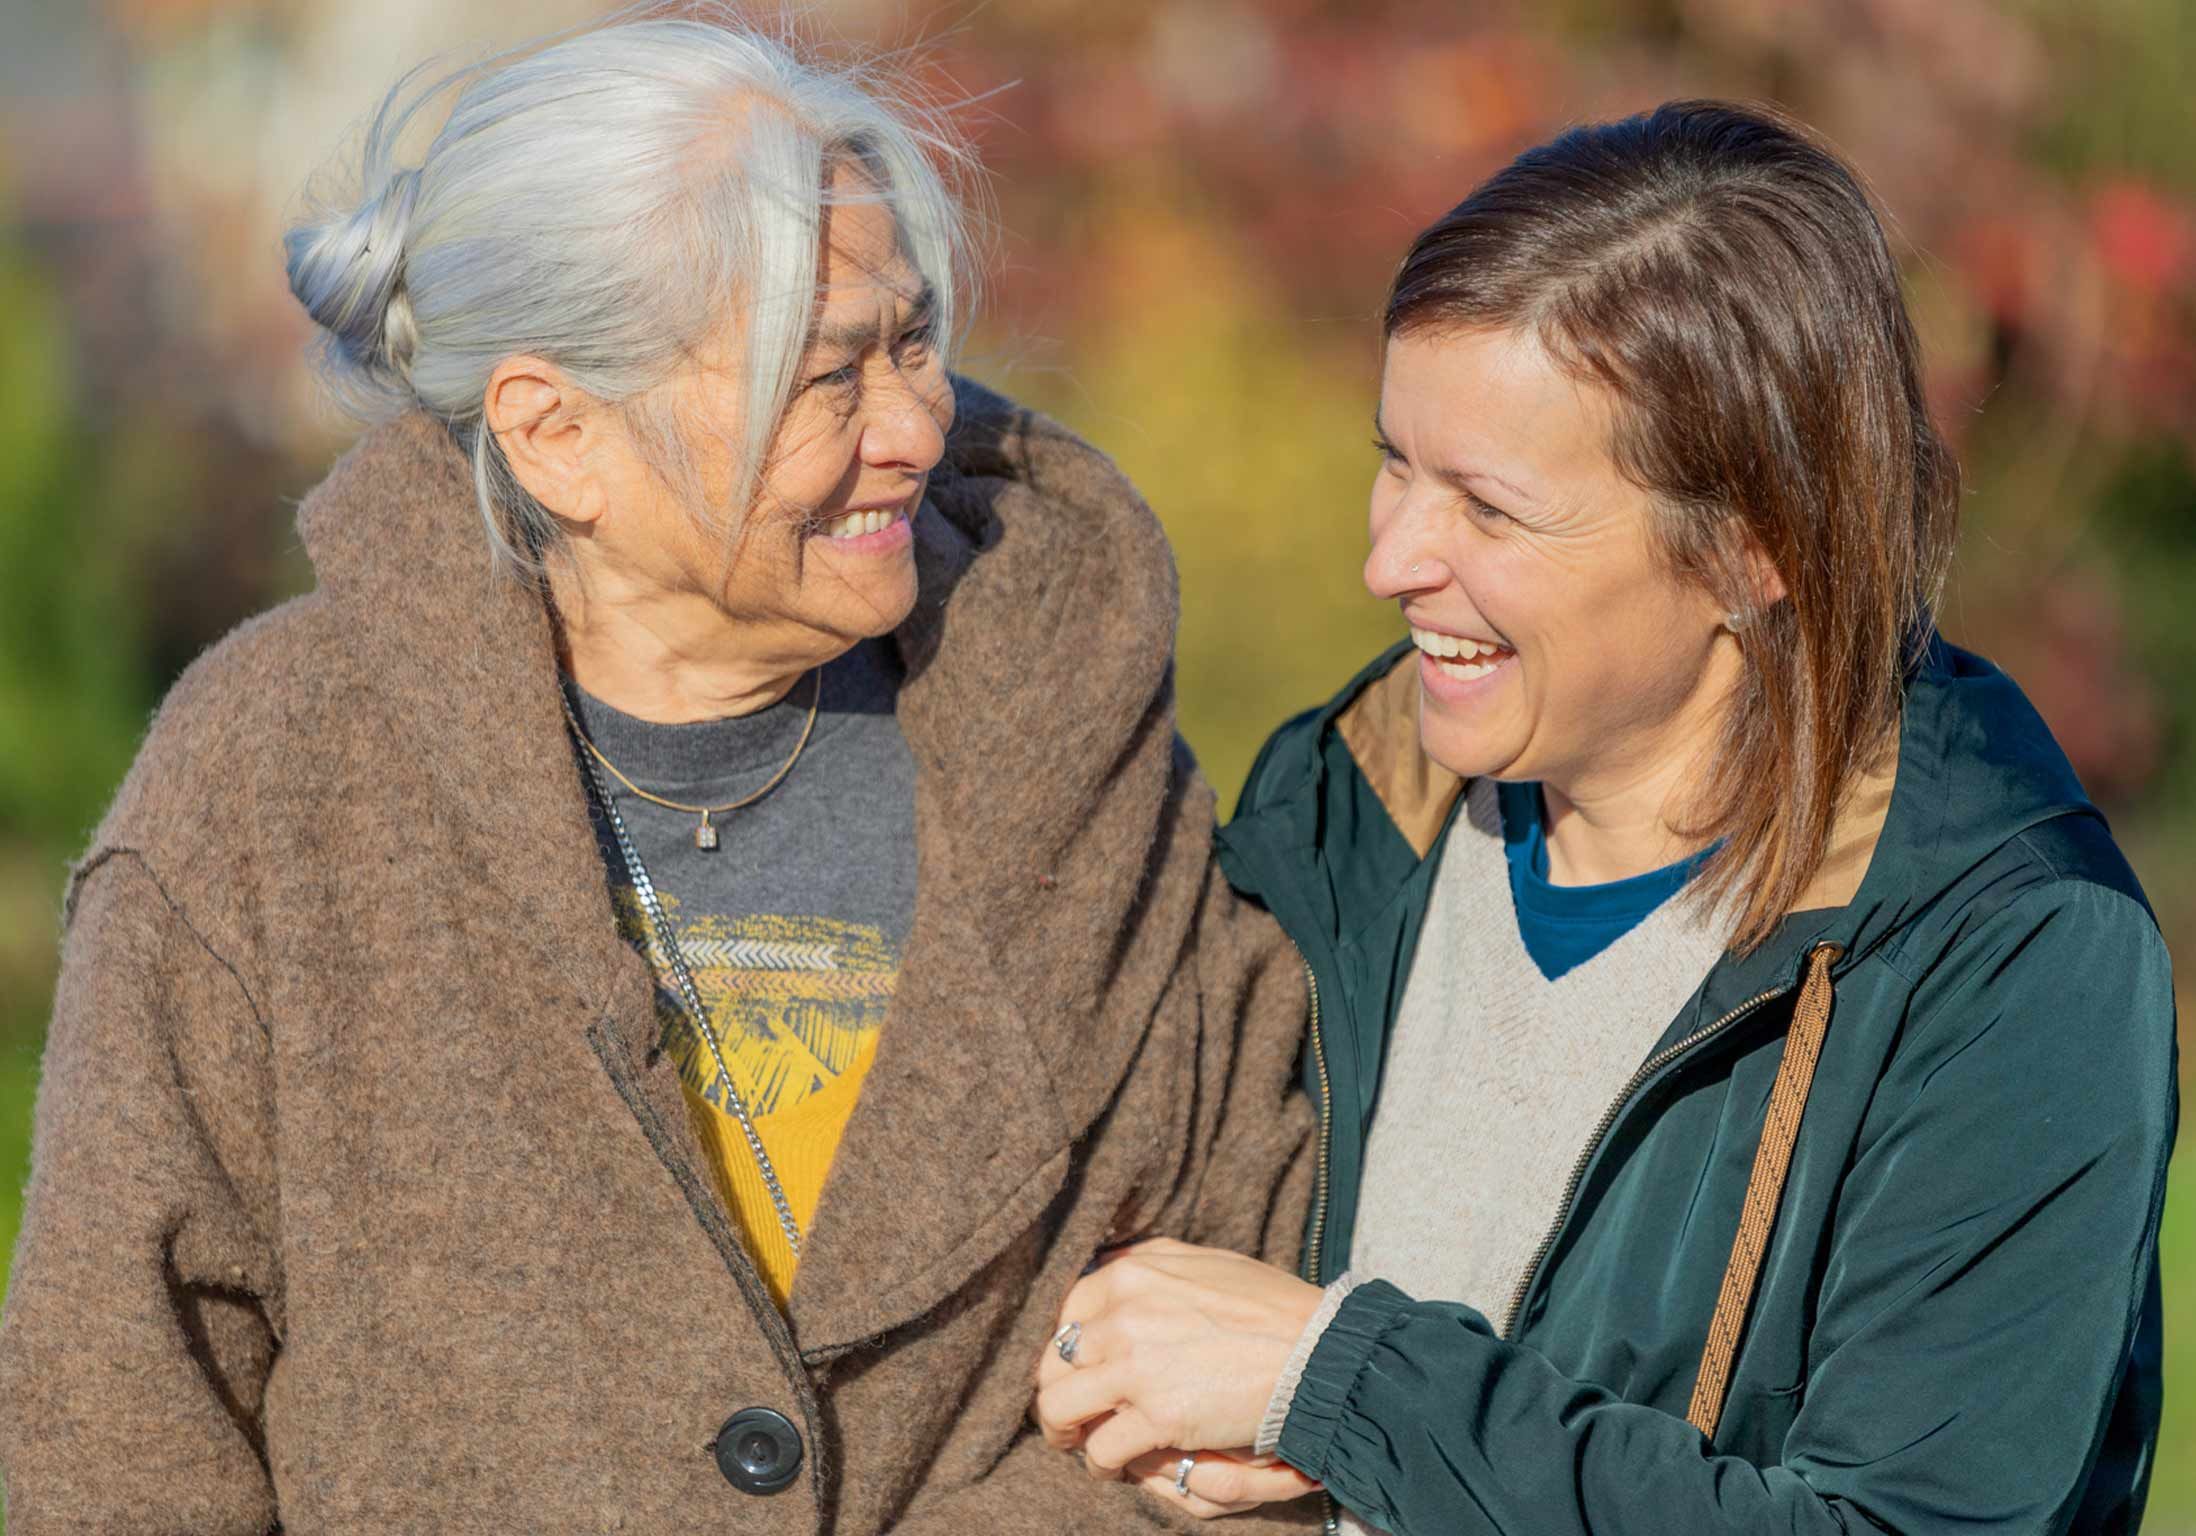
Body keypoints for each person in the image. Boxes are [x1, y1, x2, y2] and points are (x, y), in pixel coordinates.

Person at [0, 16, 1318, 1532]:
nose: (914, 428)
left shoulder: (1072, 738)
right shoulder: (275, 776)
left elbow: (1230, 1357)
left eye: (911, 339)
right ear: (556, 436)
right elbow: (124, 1420)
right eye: (824, 378)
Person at [1034, 100, 2178, 1534]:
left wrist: (1345, 1386)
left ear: (1753, 546)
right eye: (1395, 458)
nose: (1388, 556)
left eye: (1489, 509)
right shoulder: (1351, 790)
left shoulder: (2009, 964)